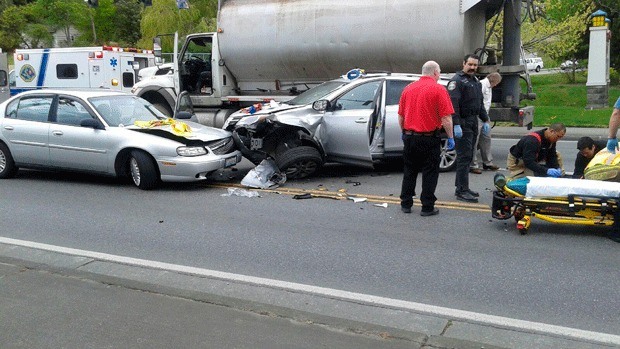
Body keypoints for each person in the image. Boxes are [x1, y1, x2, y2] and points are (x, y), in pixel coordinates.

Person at [399, 61, 455, 216]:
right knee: (430, 172)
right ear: (435, 73)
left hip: (410, 137)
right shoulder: (439, 89)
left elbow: (401, 116)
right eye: (440, 72)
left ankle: (406, 203)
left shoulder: (408, 89)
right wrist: (450, 137)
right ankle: (427, 206)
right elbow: (446, 118)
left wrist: (404, 132)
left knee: (409, 170)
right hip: (429, 138)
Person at [447, 54, 491, 203]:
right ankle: (461, 190)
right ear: (463, 63)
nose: (472, 67)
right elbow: (453, 105)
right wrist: (456, 124)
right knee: (464, 157)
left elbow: (479, 104)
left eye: (475, 65)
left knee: (468, 156)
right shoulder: (457, 81)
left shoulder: (475, 81)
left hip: (473, 122)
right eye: (470, 64)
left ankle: (462, 186)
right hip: (463, 123)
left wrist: (485, 121)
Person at [470, 72, 502, 174]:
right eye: (497, 82)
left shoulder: (489, 87)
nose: (496, 85)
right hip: (478, 116)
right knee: (475, 141)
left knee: (486, 139)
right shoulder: (482, 85)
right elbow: (478, 102)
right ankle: (473, 164)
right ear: (494, 80)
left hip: (485, 116)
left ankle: (488, 162)